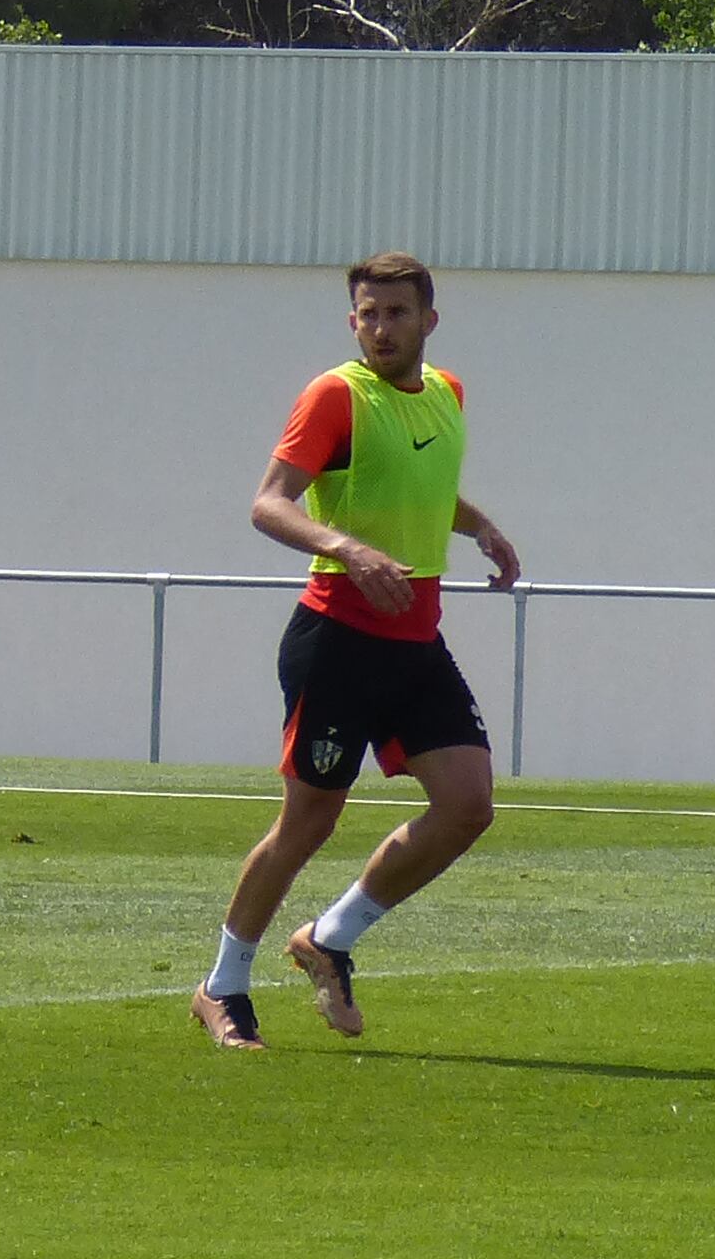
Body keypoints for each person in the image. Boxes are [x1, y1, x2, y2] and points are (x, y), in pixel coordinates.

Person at [195, 251, 522, 1051]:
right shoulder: (337, 395)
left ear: (429, 322)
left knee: (469, 805)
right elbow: (269, 504)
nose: (380, 328)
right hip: (337, 640)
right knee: (307, 824)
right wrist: (346, 546)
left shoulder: (446, 394)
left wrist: (477, 525)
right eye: (367, 314)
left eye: (397, 314)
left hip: (416, 641)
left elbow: (420, 488)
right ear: (353, 321)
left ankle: (330, 937)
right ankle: (222, 986)